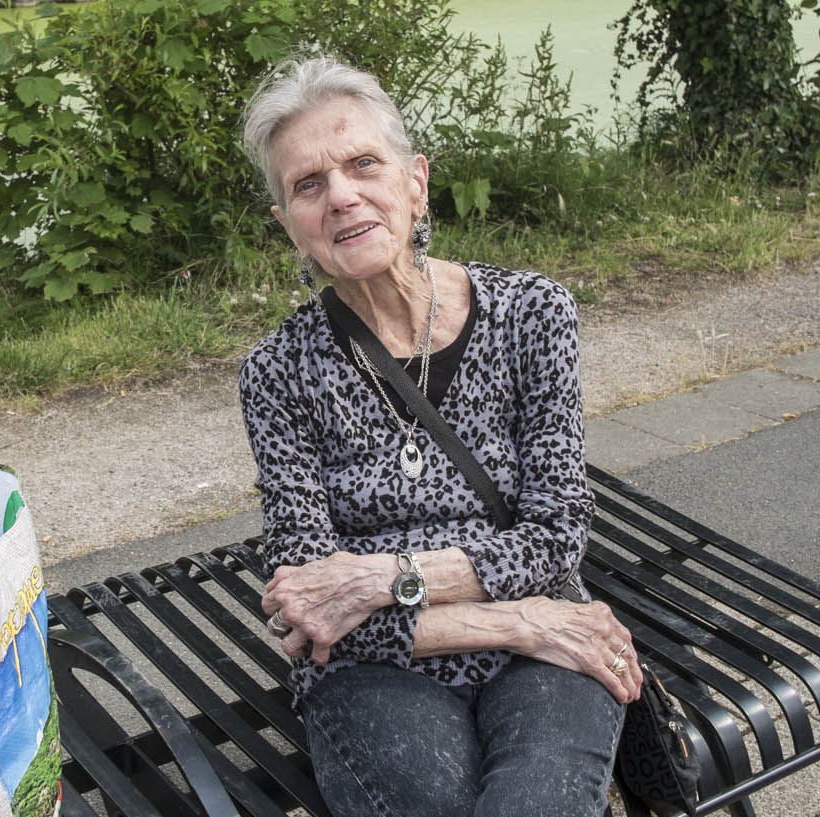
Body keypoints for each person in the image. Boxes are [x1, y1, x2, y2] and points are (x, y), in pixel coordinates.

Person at [236, 55, 642, 817]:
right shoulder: (277, 372)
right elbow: (313, 613)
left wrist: (376, 579)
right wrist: (521, 619)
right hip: (394, 664)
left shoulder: (533, 314)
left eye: (363, 164)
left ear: (415, 180)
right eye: (308, 184)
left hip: (545, 654)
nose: (343, 197)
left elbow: (555, 538)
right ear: (287, 222)